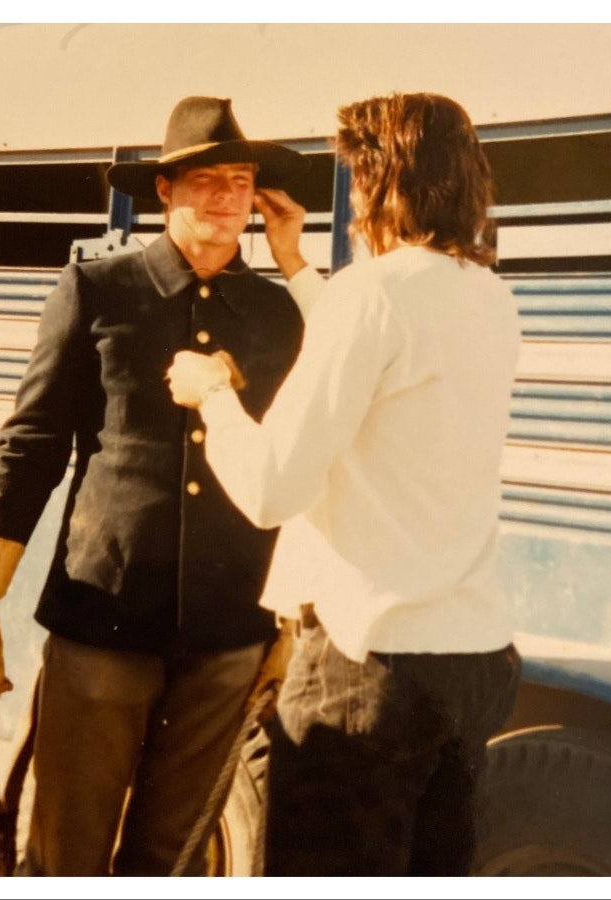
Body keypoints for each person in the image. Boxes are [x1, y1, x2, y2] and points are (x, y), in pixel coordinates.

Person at [0, 96, 308, 875]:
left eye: (239, 180)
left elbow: (306, 459)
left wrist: (291, 614)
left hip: (227, 631)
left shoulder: (281, 313)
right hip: (104, 617)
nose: (224, 197)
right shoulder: (98, 291)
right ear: (164, 193)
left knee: (171, 859)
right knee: (66, 852)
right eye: (203, 179)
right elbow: (32, 444)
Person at [165, 92, 522, 876]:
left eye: (359, 174)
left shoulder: (374, 292)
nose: (354, 196)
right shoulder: (489, 298)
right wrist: (295, 263)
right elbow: (384, 362)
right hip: (471, 662)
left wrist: (211, 396)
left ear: (383, 179)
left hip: (370, 671)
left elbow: (269, 489)